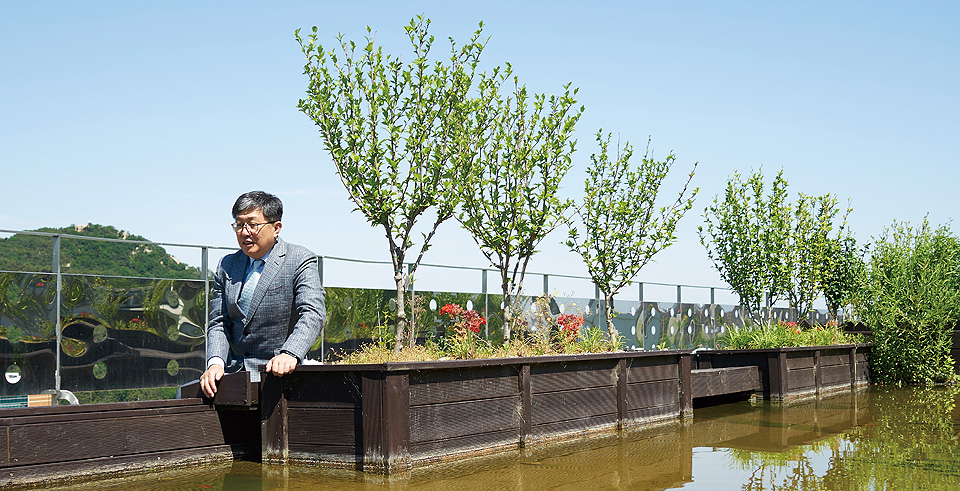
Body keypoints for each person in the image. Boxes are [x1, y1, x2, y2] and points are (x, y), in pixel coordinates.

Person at [200, 191, 325, 398]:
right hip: (233, 378)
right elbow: (219, 322)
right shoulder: (227, 265)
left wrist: (290, 353)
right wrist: (215, 363)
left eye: (252, 224)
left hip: (278, 377)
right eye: (239, 225)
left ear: (276, 228)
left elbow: (313, 312)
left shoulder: (299, 259)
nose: (244, 232)